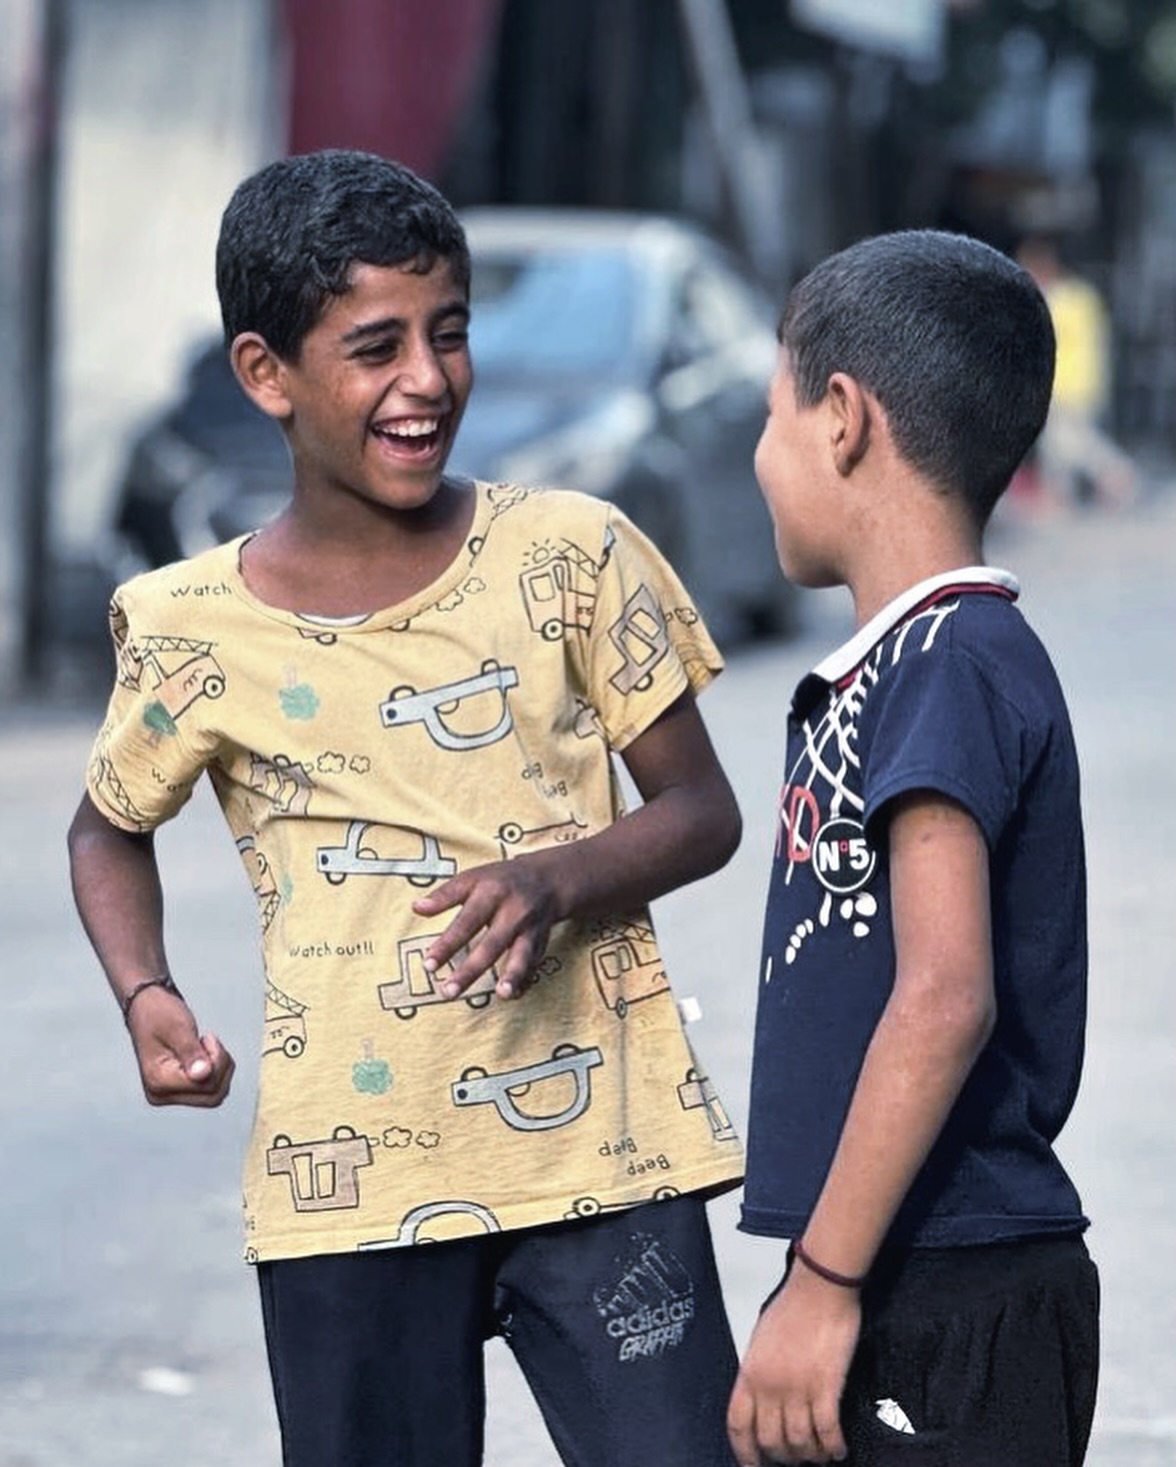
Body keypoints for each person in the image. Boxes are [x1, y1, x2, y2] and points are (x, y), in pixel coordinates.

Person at [68, 148, 747, 1467]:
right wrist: (146, 993)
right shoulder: (187, 624)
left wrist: (559, 879)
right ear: (266, 372)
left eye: (450, 332)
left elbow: (702, 810)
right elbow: (107, 825)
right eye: (375, 347)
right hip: (348, 1193)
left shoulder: (572, 552)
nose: (427, 378)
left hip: (601, 1161)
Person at [727, 231, 1099, 1467]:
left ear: (842, 419)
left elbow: (943, 996)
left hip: (948, 1280)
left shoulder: (947, 661)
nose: (759, 454)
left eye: (770, 415)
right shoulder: (915, 659)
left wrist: (822, 1285)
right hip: (902, 1261)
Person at [1016, 234, 1138, 510]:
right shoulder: (1082, 295)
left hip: (1067, 382)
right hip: (1083, 381)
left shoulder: (1058, 300)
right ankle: (1061, 496)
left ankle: (1117, 475)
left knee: (1073, 442)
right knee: (1059, 444)